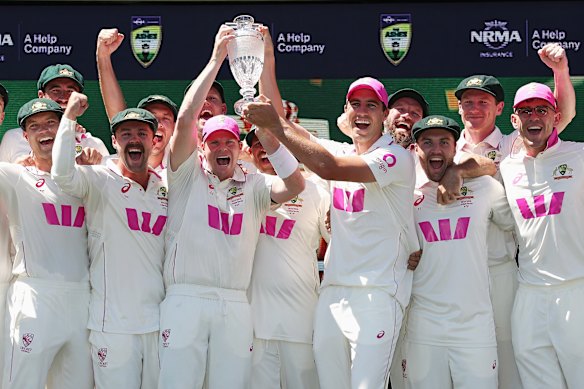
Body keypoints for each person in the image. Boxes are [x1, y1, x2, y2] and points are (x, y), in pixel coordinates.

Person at [246, 75, 419, 389]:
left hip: (378, 294)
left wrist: (277, 124)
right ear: (346, 110)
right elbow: (283, 124)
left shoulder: (396, 158)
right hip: (333, 295)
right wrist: (267, 59)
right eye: (356, 104)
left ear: (384, 115)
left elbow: (329, 167)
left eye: (371, 105)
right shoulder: (339, 150)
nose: (362, 112)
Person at [157, 24, 305, 389]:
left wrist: (271, 141)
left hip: (236, 304)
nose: (222, 148)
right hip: (185, 299)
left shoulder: (254, 184)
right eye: (213, 142)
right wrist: (215, 60)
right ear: (201, 146)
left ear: (240, 147)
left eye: (229, 142)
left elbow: (296, 184)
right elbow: (186, 118)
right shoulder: (185, 176)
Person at [450, 42, 575, 389]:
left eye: (484, 101)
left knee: (514, 364)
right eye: (468, 102)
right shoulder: (442, 146)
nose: (475, 109)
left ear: (501, 110)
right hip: (458, 274)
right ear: (458, 108)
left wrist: (560, 71)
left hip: (507, 271)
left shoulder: (512, 146)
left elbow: (559, 116)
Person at [51, 92, 167, 389]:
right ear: (114, 142)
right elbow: (63, 175)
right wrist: (69, 119)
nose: (133, 139)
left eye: (142, 133)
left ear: (155, 142)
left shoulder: (166, 188)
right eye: (125, 133)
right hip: (112, 324)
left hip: (158, 322)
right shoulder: (99, 179)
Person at [401, 115, 514, 388]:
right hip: (423, 328)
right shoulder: (404, 192)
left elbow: (516, 226)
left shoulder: (486, 187)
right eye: (427, 142)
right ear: (416, 149)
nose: (436, 150)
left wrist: (461, 172)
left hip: (474, 328)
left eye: (444, 142)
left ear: (455, 148)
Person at [0, 97, 99, 389]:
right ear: (26, 137)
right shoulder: (16, 175)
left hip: (81, 300)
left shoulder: (90, 178)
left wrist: (91, 166)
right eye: (35, 127)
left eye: (51, 123)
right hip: (35, 296)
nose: (44, 131)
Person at [499, 82, 584, 388]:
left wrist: (560, 71)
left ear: (555, 116)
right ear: (513, 120)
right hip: (529, 295)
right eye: (525, 111)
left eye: (541, 109)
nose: (533, 117)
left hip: (576, 289)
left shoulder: (579, 156)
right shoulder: (506, 168)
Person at [96, 28, 178, 175]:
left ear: (174, 128)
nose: (158, 124)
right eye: (152, 117)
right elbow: (117, 116)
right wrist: (103, 56)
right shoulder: (111, 169)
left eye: (166, 118)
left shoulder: (183, 166)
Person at [0, 64, 110, 163]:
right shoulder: (13, 138)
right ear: (41, 96)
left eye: (70, 92)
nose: (63, 98)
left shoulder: (92, 144)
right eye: (56, 91)